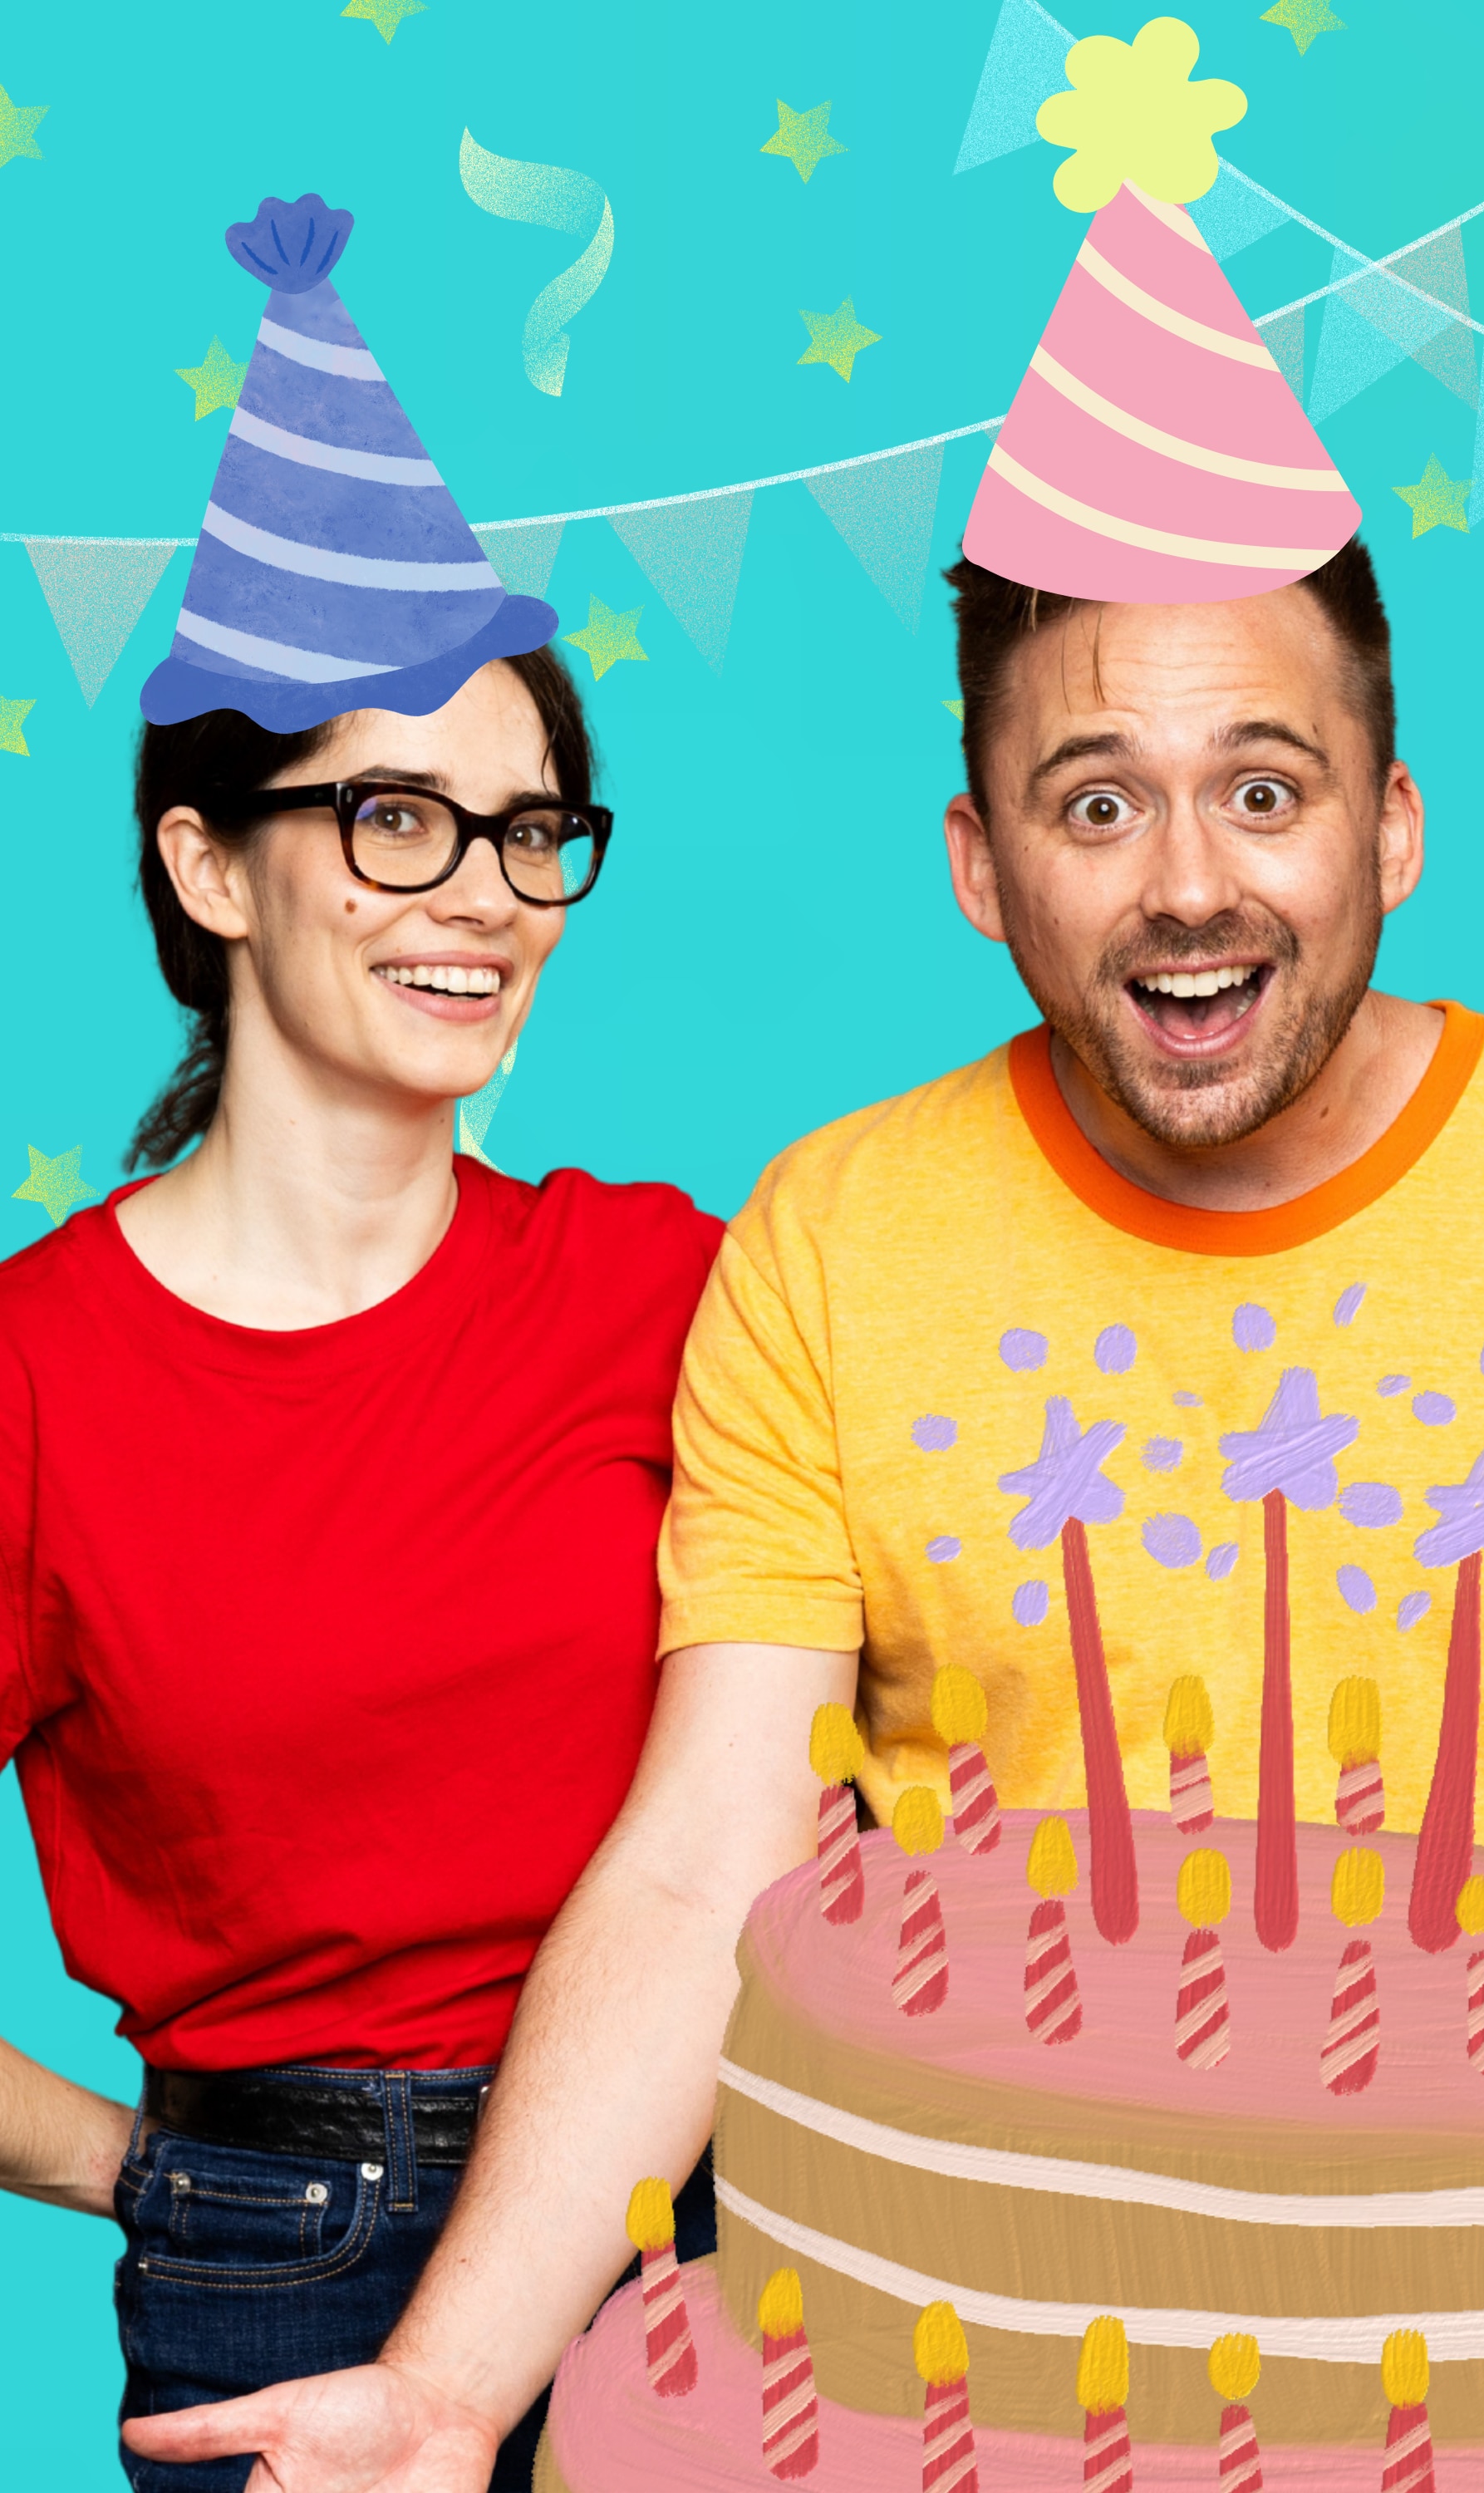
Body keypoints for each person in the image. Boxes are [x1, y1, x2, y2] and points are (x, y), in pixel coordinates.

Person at [134, 121, 1484, 2484]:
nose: (1191, 887)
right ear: (980, 865)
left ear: (1393, 824)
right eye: (1095, 805)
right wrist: (462, 2383)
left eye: (1265, 789)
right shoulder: (837, 1239)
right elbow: (704, 1860)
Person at [0, 194, 721, 2491]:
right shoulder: (36, 1376)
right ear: (211, 870)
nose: (489, 898)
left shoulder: (657, 1286)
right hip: (283, 2256)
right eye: (400, 820)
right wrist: (146, 2172)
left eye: (530, 832)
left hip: (714, 2225)